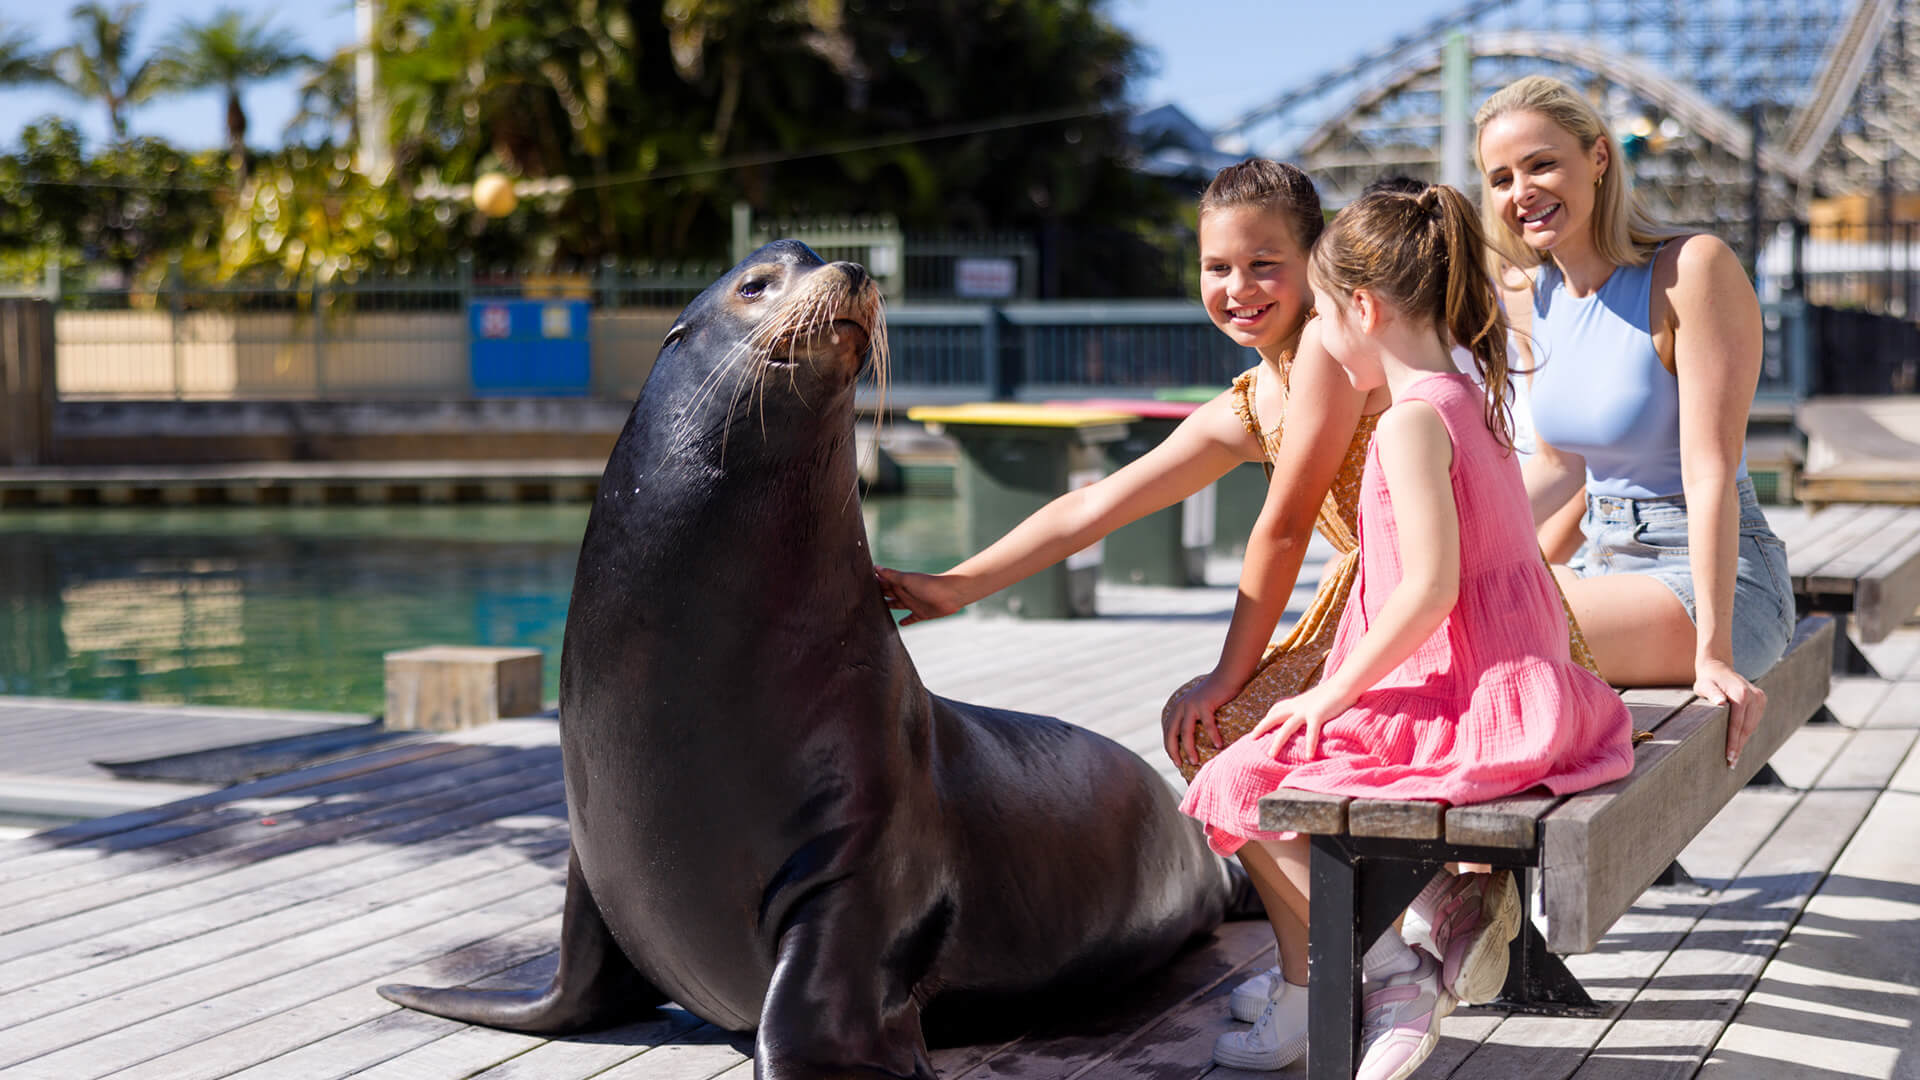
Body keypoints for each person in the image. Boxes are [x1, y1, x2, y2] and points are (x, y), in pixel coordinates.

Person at [1179, 185, 1636, 1076]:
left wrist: (1328, 692)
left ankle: (1389, 967)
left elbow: (1428, 588)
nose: (1320, 337)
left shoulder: (1407, 423)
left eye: (1322, 314)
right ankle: (1424, 922)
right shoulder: (1469, 394)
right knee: (1268, 759)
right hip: (1534, 687)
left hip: (1477, 702)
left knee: (1231, 779)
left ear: (1360, 307)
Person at [877, 157, 1386, 737]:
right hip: (1364, 602)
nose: (1238, 288)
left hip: (1413, 595)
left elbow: (1287, 527)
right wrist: (955, 587)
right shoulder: (1247, 406)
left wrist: (1226, 675)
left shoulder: (1329, 340)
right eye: (1217, 267)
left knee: (1223, 724)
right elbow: (1096, 505)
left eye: (1263, 265)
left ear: (1315, 259)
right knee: (1201, 726)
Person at [1475, 75, 1797, 767]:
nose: (1520, 190)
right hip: (1606, 563)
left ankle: (1479, 850)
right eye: (1501, 177)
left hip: (1718, 582)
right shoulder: (1537, 295)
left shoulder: (1690, 269)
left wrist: (1712, 652)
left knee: (1487, 633)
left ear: (1598, 158)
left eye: (1541, 164)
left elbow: (1709, 469)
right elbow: (1560, 467)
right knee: (1441, 604)